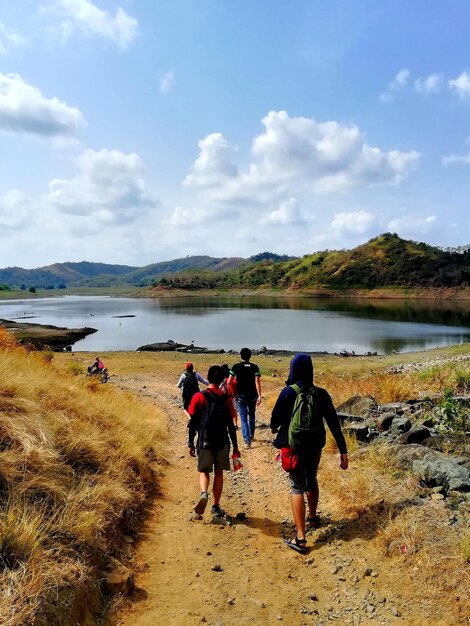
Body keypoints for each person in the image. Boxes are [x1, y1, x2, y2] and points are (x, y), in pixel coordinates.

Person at [270, 353, 348, 554]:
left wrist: (275, 427)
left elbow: (274, 420)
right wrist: (343, 451)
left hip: (293, 446)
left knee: (297, 485)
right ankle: (313, 517)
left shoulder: (288, 392)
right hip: (315, 446)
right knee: (311, 479)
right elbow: (333, 423)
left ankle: (301, 537)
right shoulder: (321, 394)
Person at [188, 365, 240, 517]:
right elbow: (231, 426)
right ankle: (216, 507)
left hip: (204, 440)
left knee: (204, 471)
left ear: (208, 378)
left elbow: (193, 423)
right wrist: (236, 446)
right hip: (222, 441)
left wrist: (191, 443)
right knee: (219, 473)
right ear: (222, 379)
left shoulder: (198, 397)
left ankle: (204, 493)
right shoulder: (226, 399)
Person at [228, 348, 261, 448]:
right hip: (253, 395)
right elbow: (257, 381)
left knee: (243, 418)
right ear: (250, 356)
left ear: (241, 355)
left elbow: (229, 382)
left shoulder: (236, 367)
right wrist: (259, 395)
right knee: (251, 415)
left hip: (241, 395)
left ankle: (247, 442)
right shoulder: (255, 367)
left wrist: (233, 394)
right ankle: (251, 436)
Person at [220, 363, 238, 429]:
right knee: (234, 410)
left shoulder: (222, 379)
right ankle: (235, 424)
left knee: (224, 410)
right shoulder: (232, 377)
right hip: (233, 396)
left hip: (225, 396)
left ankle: (225, 424)